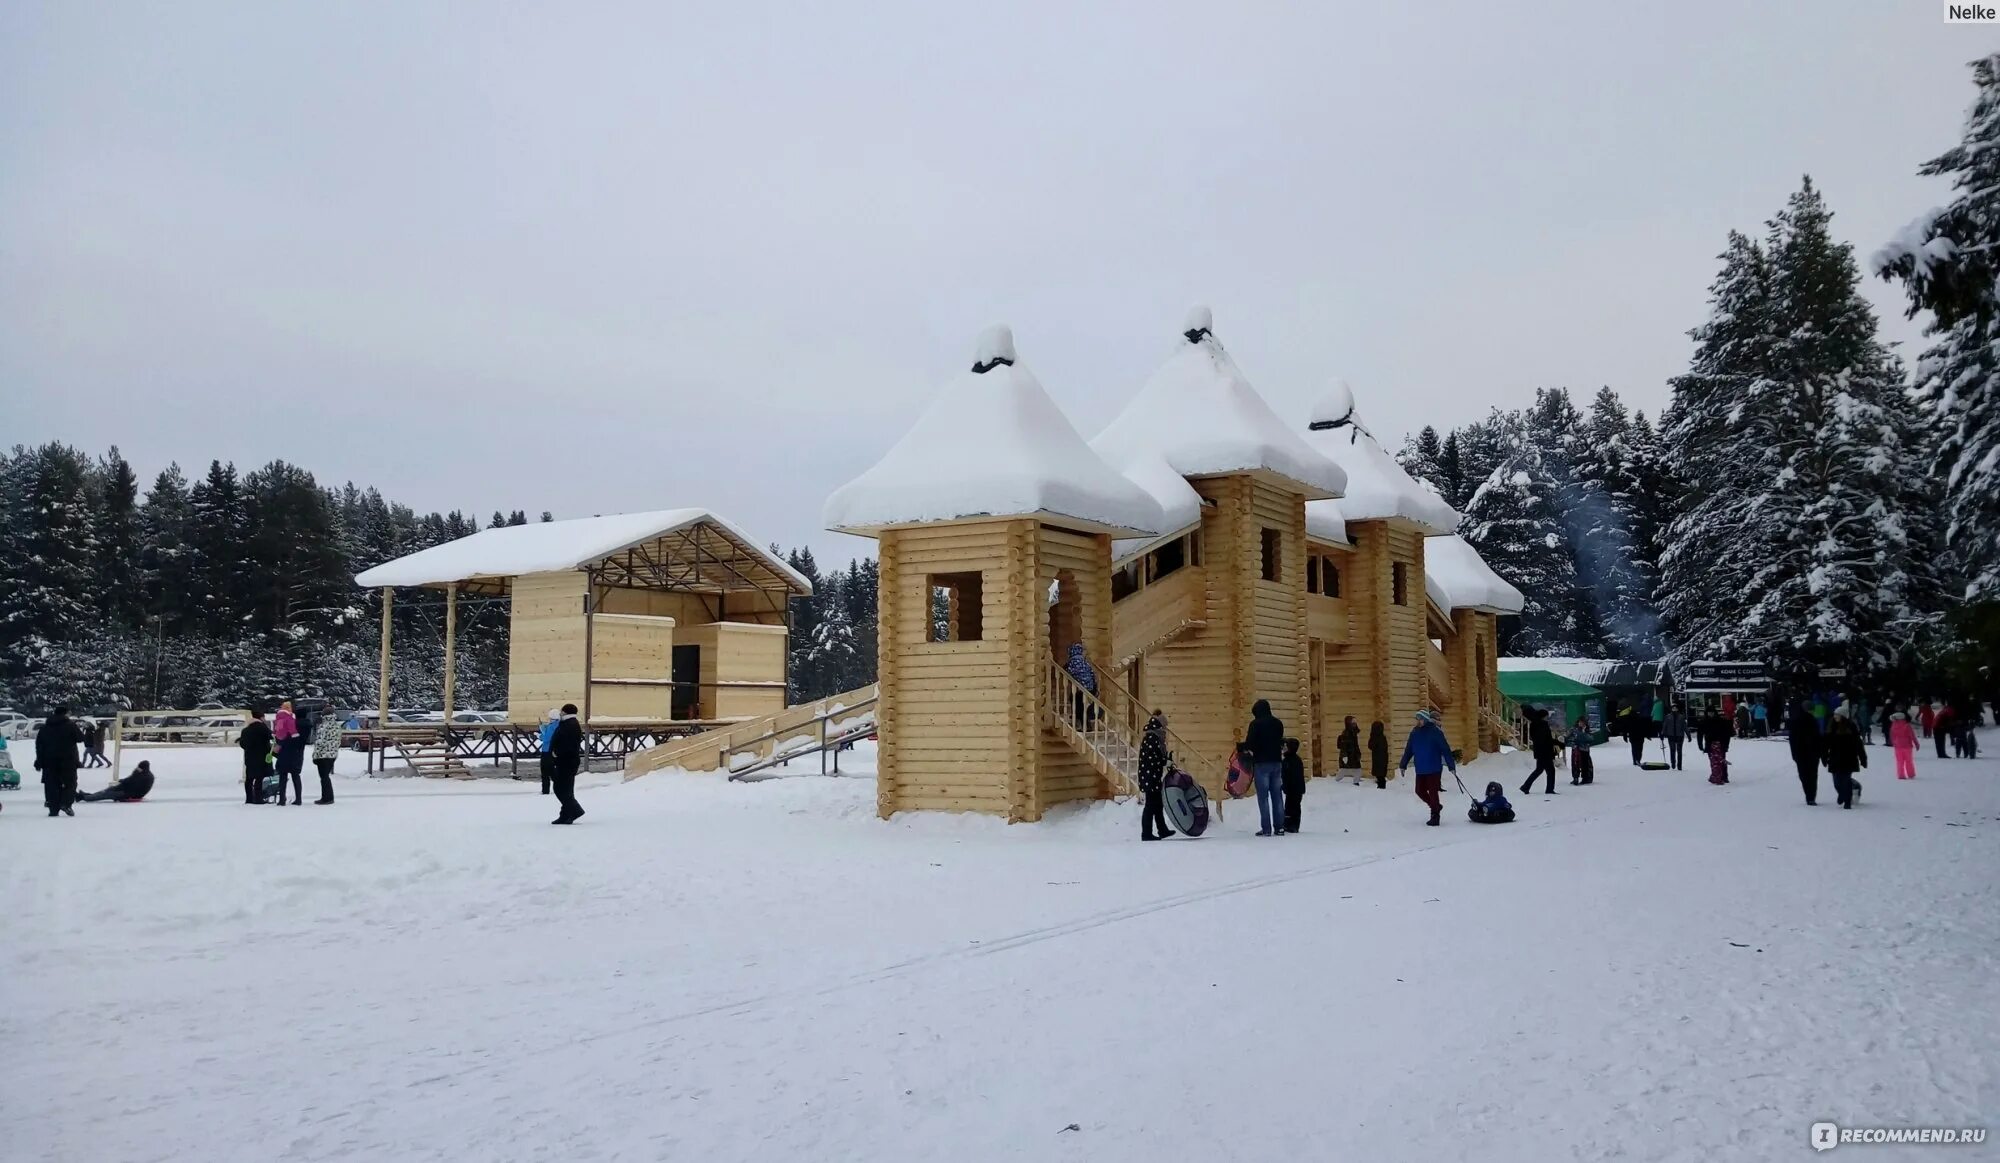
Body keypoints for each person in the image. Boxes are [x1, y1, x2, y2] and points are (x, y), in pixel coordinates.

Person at [1399, 709, 1456, 826]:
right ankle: (1436, 806)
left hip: (1434, 767)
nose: (1417, 721)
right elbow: (1409, 749)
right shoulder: (1414, 732)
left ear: (1424, 719)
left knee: (1433, 792)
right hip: (1420, 767)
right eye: (1417, 719)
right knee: (1419, 791)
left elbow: (1445, 749)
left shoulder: (1435, 732)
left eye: (1419, 719)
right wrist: (1403, 764)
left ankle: (1435, 816)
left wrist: (1451, 765)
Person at [1244, 699, 1286, 837]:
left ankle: (1266, 829)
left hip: (1261, 763)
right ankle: (1280, 827)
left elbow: (1250, 743)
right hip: (1276, 762)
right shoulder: (1278, 723)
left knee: (1263, 797)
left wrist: (1242, 748)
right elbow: (1280, 740)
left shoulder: (1255, 724)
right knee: (1277, 796)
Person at [33, 706, 83, 817]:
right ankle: (66, 803)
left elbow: (39, 746)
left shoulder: (45, 728)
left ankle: (53, 808)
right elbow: (80, 738)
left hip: (49, 761)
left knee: (51, 785)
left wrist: (39, 761)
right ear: (65, 714)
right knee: (70, 783)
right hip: (68, 760)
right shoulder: (70, 726)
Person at [1136, 710, 1174, 841]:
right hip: (1149, 777)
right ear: (1160, 726)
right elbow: (1152, 759)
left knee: (1158, 804)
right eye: (1164, 727)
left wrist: (1165, 761)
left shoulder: (1154, 737)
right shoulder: (1152, 738)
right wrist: (1164, 761)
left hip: (1153, 776)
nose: (1165, 730)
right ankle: (1146, 833)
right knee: (1150, 806)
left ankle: (1162, 829)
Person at [1822, 710, 1866, 809]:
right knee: (1837, 781)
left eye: (1837, 714)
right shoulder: (1831, 726)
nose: (1835, 716)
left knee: (1846, 780)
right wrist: (1824, 756)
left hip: (1849, 758)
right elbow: (1825, 744)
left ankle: (1847, 801)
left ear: (1843, 716)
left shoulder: (1851, 727)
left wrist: (1863, 758)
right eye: (1834, 714)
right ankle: (1841, 794)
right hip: (1834, 758)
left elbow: (1858, 744)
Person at [549, 703, 585, 824]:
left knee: (560, 788)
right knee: (566, 788)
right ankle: (565, 815)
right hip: (567, 760)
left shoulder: (570, 725)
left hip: (566, 760)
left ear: (565, 712)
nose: (560, 713)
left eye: (561, 711)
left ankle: (575, 810)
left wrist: (557, 753)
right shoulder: (569, 723)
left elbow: (568, 744)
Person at [1788, 703, 1822, 805]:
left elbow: (1792, 740)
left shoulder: (1795, 721)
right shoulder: (1813, 721)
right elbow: (1818, 738)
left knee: (1804, 775)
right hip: (1812, 753)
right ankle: (1811, 796)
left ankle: (1809, 794)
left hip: (1800, 753)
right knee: (1812, 775)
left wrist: (1794, 754)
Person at [1519, 706, 1558, 796]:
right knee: (1550, 771)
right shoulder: (1543, 725)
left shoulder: (1533, 724)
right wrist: (1555, 743)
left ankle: (1526, 786)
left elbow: (1535, 738)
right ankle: (1549, 789)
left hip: (1539, 751)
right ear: (1543, 716)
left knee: (1539, 770)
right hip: (1545, 751)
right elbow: (1547, 738)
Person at [273, 700, 305, 804]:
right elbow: (294, 734)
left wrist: (279, 744)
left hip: (282, 752)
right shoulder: (289, 719)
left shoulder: (278, 720)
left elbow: (276, 734)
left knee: (282, 776)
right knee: (295, 775)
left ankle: (282, 799)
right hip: (291, 751)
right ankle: (298, 799)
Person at [239, 708, 274, 805]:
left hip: (250, 757)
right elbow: (271, 737)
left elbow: (242, 744)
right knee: (259, 778)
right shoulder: (263, 728)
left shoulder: (246, 730)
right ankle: (258, 798)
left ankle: (249, 798)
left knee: (249, 779)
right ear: (261, 717)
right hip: (261, 757)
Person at [78, 760, 155, 802]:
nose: (138, 768)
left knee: (107, 794)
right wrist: (123, 781)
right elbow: (131, 779)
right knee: (107, 790)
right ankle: (88, 795)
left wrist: (124, 782)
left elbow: (134, 785)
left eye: (139, 768)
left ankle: (84, 797)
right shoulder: (140, 772)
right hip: (126, 788)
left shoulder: (146, 777)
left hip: (131, 793)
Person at [310, 710, 342, 804]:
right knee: (326, 776)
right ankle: (328, 797)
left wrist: (315, 756)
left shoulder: (323, 726)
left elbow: (320, 743)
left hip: (323, 755)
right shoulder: (337, 726)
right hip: (332, 755)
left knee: (324, 777)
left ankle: (327, 797)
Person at [1063, 643, 1098, 726]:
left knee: (1077, 704)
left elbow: (1068, 671)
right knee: (1079, 703)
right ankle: (1079, 718)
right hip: (1090, 688)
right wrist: (1095, 688)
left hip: (1081, 689)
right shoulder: (1084, 662)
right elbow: (1092, 674)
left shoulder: (1073, 662)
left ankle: (1085, 725)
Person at [1280, 737, 1305, 834]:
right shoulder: (1295, 759)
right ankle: (1291, 825)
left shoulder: (1289, 760)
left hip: (1293, 789)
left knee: (1291, 807)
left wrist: (1285, 786)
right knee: (1294, 806)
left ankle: (1291, 825)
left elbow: (1288, 776)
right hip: (1296, 789)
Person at [1704, 706, 1732, 785]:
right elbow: (1702, 733)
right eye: (1709, 713)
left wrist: (1726, 745)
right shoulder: (1705, 721)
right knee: (1714, 762)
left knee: (1720, 761)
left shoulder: (1721, 721)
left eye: (1712, 712)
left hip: (1720, 744)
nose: (1710, 714)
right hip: (1710, 744)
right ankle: (1716, 776)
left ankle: (1722, 777)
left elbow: (1727, 734)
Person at [1889, 711, 1919, 780]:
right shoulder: (1907, 725)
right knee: (1909, 761)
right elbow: (1912, 735)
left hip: (1897, 747)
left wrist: (1894, 742)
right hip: (1907, 746)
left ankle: (1901, 775)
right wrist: (1916, 743)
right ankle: (1911, 774)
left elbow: (1891, 736)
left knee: (1899, 761)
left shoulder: (1893, 725)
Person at [538, 708, 560, 795]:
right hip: (554, 751)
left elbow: (547, 738)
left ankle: (545, 791)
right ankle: (560, 786)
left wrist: (540, 736)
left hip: (547, 751)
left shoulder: (551, 727)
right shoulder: (559, 725)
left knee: (545, 772)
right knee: (552, 771)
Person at [1566, 718, 1595, 785]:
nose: (1581, 724)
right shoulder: (1573, 729)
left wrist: (1583, 733)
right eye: (1580, 722)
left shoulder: (1587, 730)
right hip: (1576, 749)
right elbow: (1567, 737)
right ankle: (1575, 777)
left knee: (1585, 764)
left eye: (1583, 722)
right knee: (1575, 764)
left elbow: (1591, 739)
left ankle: (1585, 778)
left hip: (1584, 749)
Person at [1337, 715, 1363, 785]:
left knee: (1358, 769)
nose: (1355, 723)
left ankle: (1356, 782)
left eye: (1355, 722)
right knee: (1343, 770)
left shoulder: (1354, 733)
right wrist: (1344, 756)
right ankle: (1336, 781)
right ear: (1349, 723)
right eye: (1353, 722)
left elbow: (1356, 745)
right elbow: (1343, 747)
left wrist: (1358, 753)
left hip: (1354, 755)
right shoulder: (1346, 734)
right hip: (1348, 755)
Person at [1660, 702, 1686, 771]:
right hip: (1671, 735)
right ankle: (1673, 763)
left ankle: (1679, 765)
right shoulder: (1668, 717)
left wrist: (1688, 735)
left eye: (1675, 708)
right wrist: (1662, 733)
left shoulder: (1681, 716)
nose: (1674, 709)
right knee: (1672, 750)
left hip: (1679, 735)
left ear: (1677, 709)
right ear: (1671, 709)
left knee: (1679, 751)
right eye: (1673, 708)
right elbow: (1664, 726)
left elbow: (1684, 727)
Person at [1367, 720, 1390, 789]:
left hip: (1378, 760)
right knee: (1381, 776)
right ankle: (1381, 788)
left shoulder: (1375, 738)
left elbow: (1370, 746)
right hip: (1383, 759)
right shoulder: (1382, 737)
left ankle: (1381, 789)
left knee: (1380, 777)